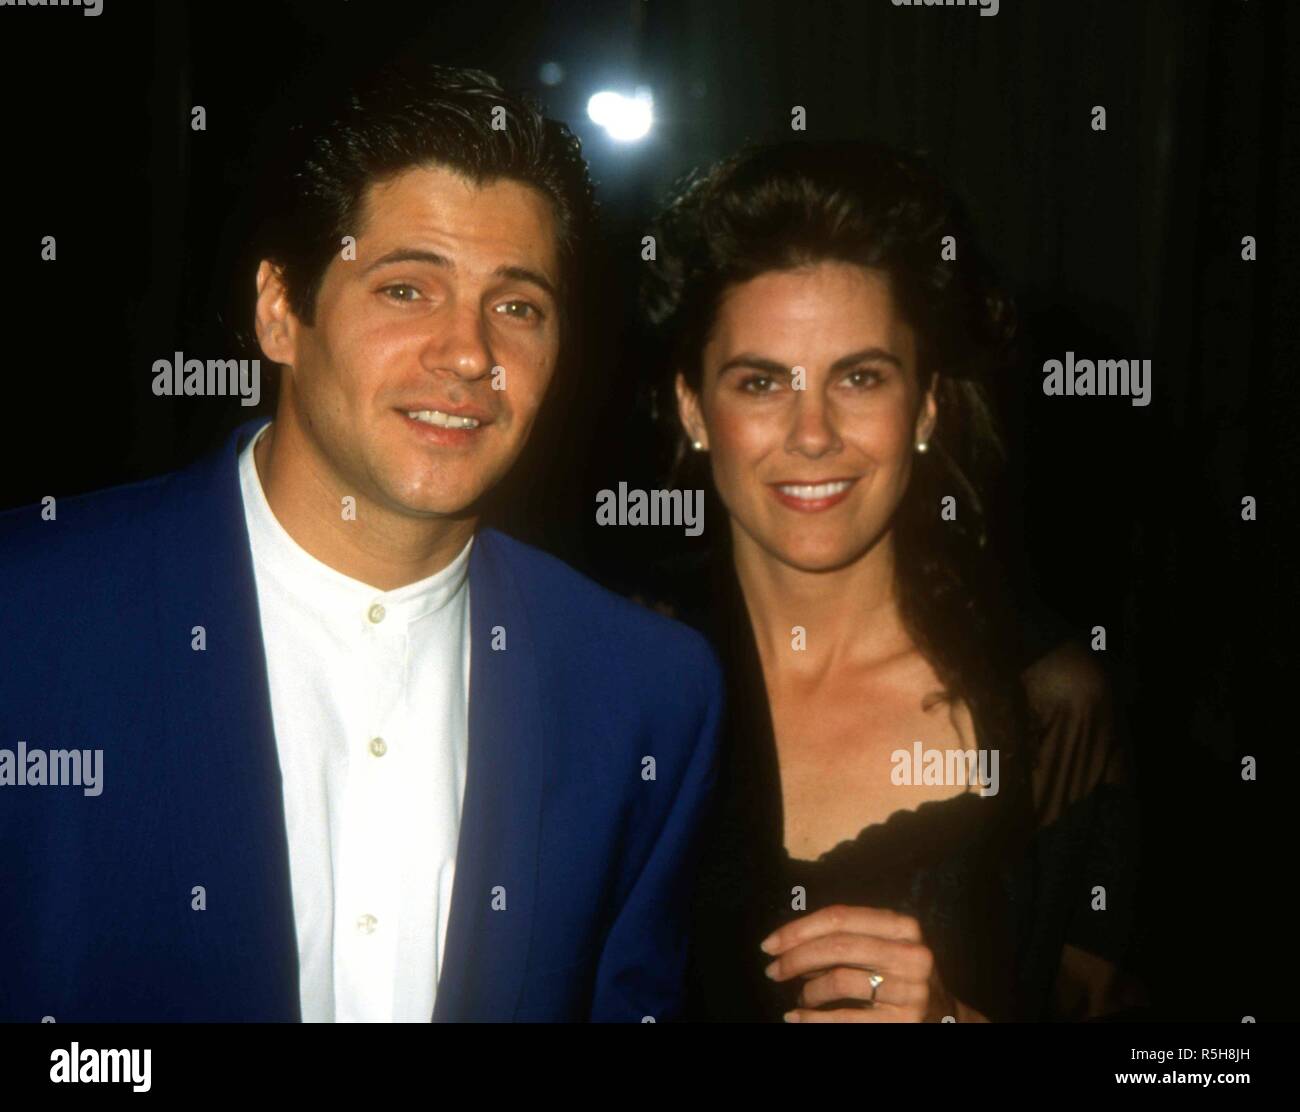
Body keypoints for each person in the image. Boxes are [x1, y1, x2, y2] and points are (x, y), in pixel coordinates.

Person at [0, 62, 722, 1023]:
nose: (469, 353)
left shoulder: (645, 694)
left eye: (517, 307)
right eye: (406, 288)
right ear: (279, 312)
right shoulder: (30, 615)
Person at [640, 140, 1145, 1022]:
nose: (812, 433)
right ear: (693, 408)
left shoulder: (1048, 721)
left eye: (860, 377)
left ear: (928, 406)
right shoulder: (614, 690)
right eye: (761, 382)